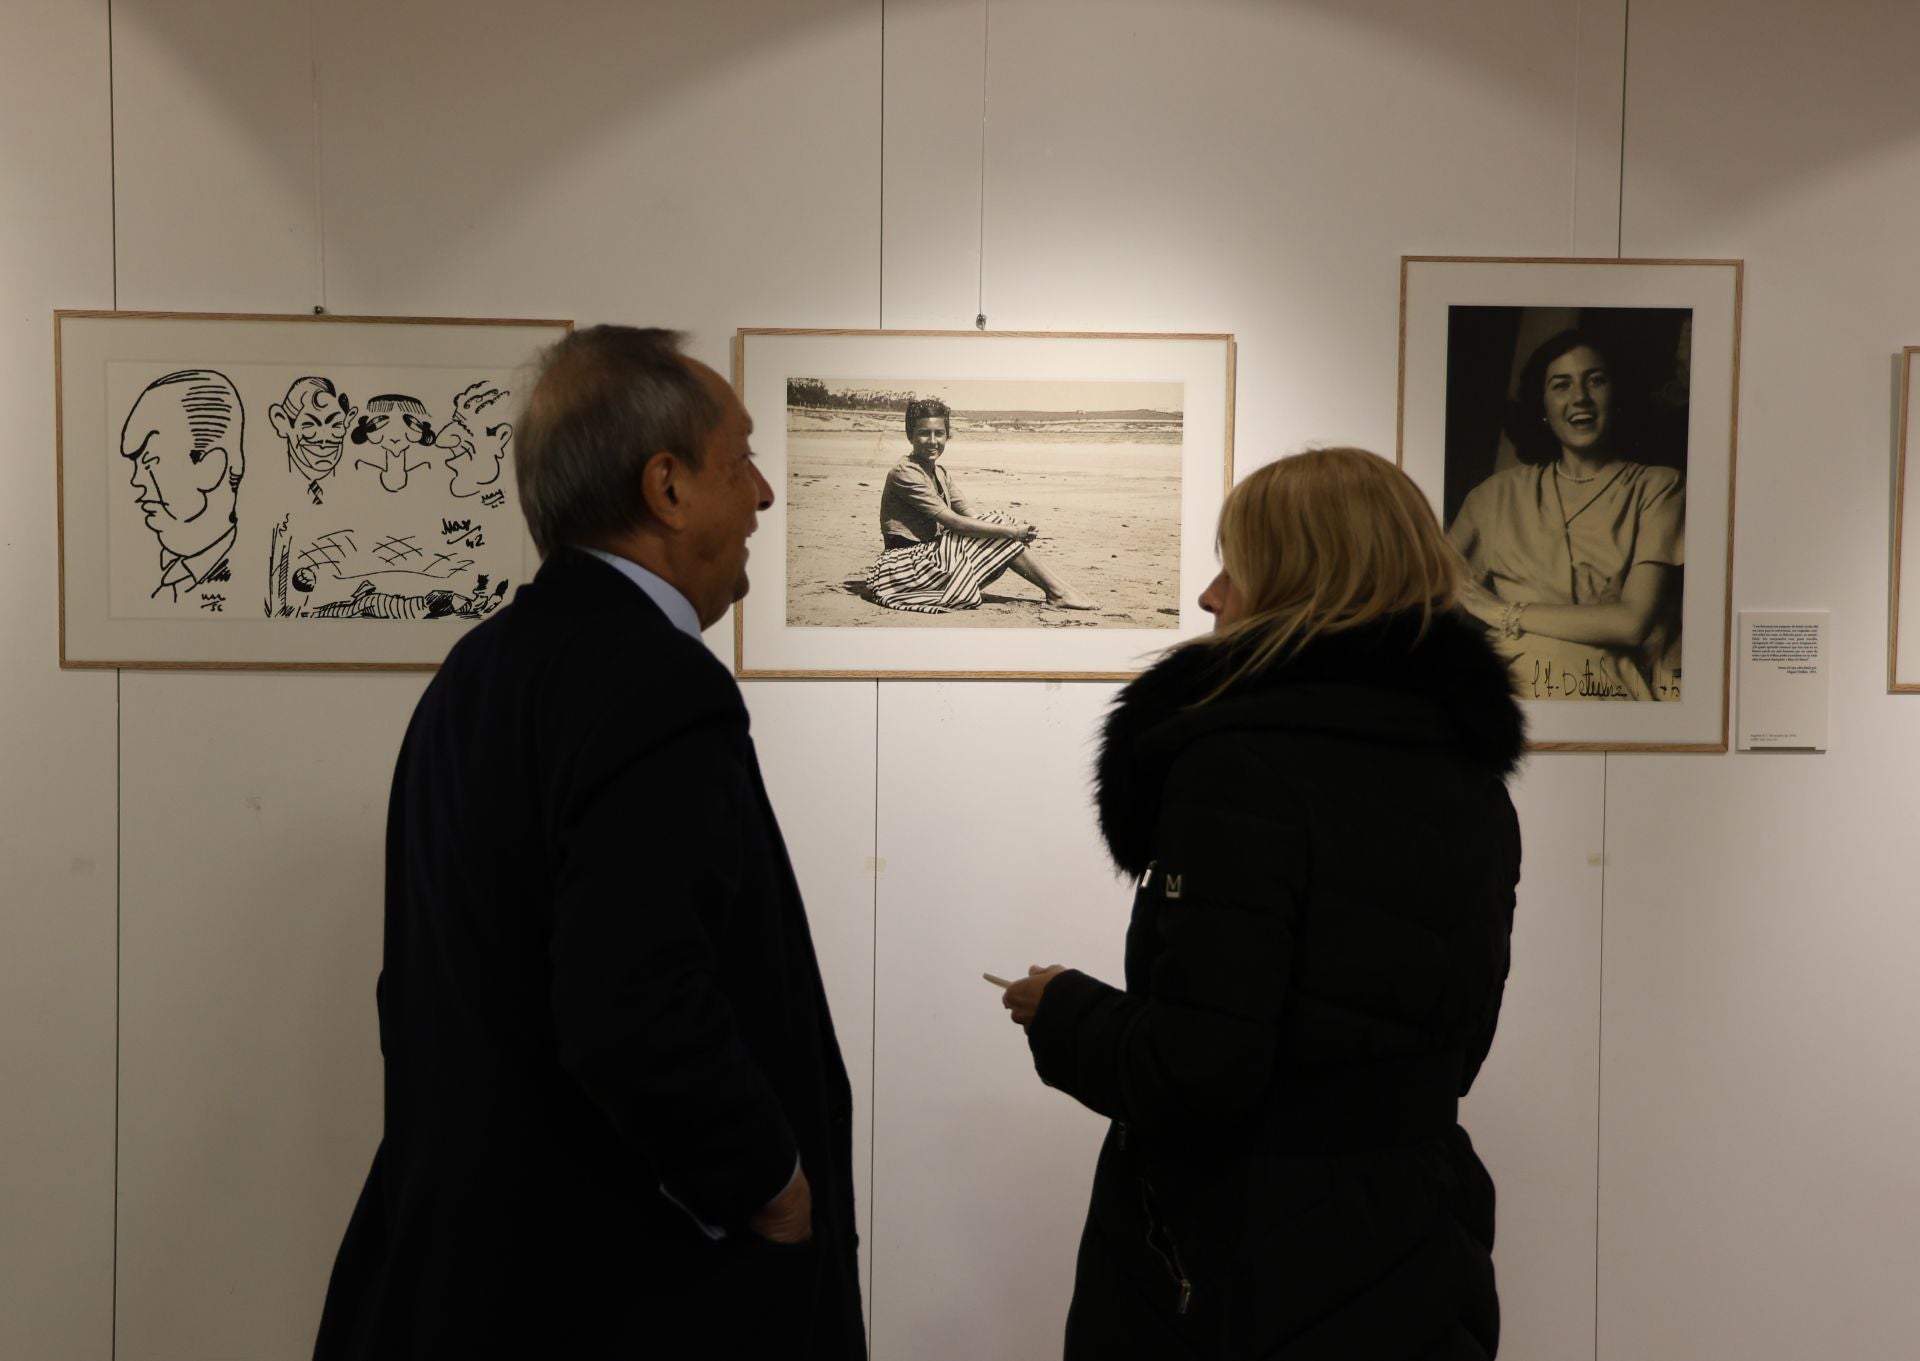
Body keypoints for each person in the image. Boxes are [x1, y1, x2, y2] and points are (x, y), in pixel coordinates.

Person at [314, 326, 865, 1358]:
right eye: (740, 458)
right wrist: (773, 1185)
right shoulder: (651, 681)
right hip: (623, 1290)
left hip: (477, 1279)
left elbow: (425, 995)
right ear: (666, 486)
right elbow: (634, 1003)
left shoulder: (475, 672)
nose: (764, 496)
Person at [1000, 447, 1524, 1360]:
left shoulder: (1237, 768)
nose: (1209, 595)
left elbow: (1199, 1068)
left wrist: (1062, 1010)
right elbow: (1455, 1047)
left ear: (1300, 577)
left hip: (1245, 1257)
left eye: (1234, 563)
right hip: (1416, 1245)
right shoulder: (1468, 778)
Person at [1448, 327, 1685, 701]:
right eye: (1561, 385)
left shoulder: (1659, 487)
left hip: (1602, 693)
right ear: (1541, 407)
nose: (1580, 398)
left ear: (1618, 395)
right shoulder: (1495, 494)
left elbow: (1632, 623)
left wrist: (1502, 612)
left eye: (1596, 381)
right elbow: (1431, 591)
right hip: (1501, 696)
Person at [864, 397, 1095, 613]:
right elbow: (956, 523)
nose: (933, 441)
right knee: (1002, 527)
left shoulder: (940, 472)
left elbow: (973, 516)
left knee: (998, 521)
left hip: (929, 560)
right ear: (910, 435)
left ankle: (1060, 590)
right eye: (924, 433)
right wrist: (1012, 532)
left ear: (947, 436)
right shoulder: (905, 472)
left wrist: (1011, 530)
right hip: (903, 569)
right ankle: (1058, 592)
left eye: (939, 434)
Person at [119, 368, 246, 600]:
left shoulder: (248, 578)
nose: (136, 480)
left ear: (211, 468)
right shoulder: (137, 570)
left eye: (150, 462)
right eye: (136, 465)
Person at [268, 375, 354, 501]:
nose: (324, 439)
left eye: (335, 425)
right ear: (282, 423)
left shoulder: (355, 483)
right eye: (310, 426)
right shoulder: (271, 486)